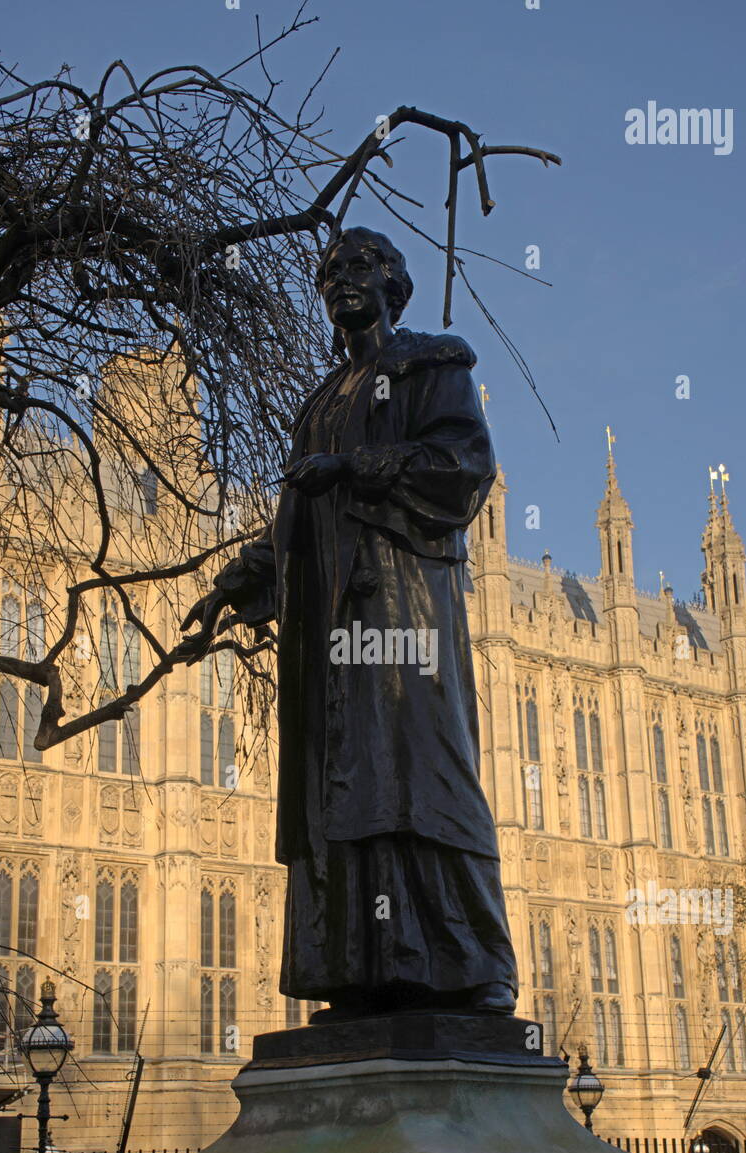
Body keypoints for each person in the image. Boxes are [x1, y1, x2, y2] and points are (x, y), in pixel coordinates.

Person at [180, 227, 518, 1016]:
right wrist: (240, 578)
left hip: (402, 606)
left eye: (359, 266)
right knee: (344, 786)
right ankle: (366, 970)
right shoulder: (319, 404)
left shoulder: (432, 366)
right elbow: (293, 517)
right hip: (327, 620)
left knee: (421, 774)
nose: (341, 280)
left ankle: (470, 964)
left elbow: (462, 469)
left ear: (394, 283)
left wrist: (357, 468)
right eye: (329, 272)